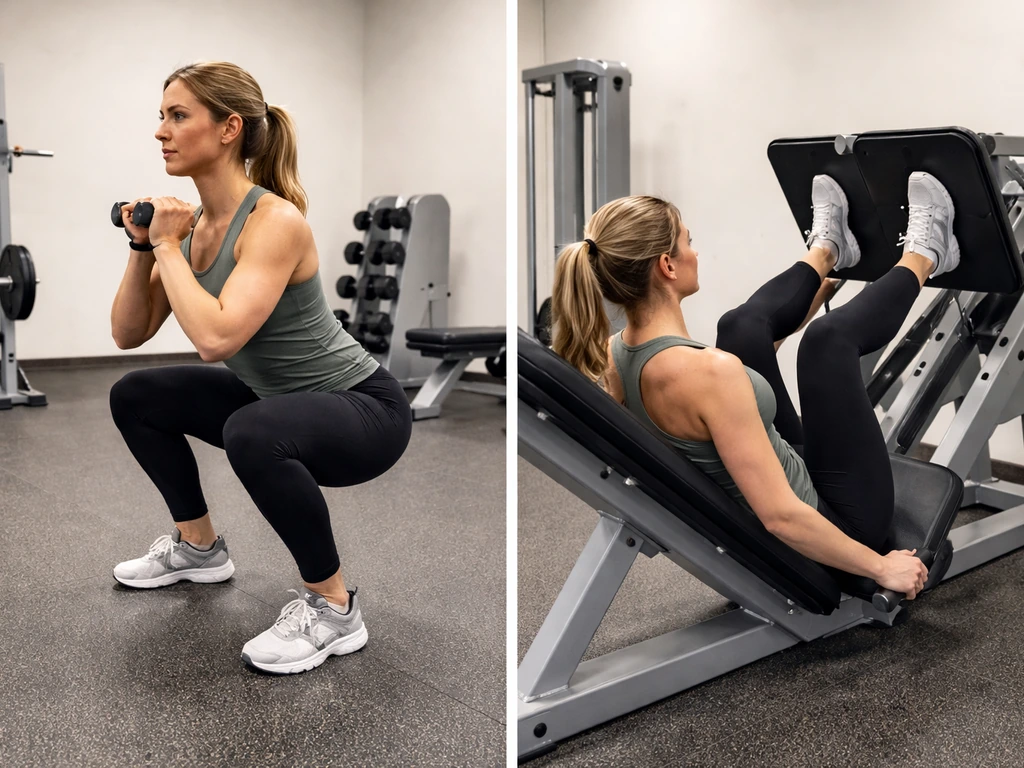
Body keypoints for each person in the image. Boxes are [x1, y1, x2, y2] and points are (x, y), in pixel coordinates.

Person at [108, 61, 412, 674]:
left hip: (365, 410)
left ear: (229, 129)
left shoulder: (275, 221)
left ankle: (334, 608)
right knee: (135, 395)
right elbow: (128, 332)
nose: (161, 132)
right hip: (271, 399)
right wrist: (147, 247)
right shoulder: (191, 229)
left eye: (177, 116)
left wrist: (166, 245)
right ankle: (198, 548)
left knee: (253, 431)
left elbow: (216, 337)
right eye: (160, 117)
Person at [550, 171, 963, 600]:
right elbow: (782, 517)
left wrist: (791, 321)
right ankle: (928, 253)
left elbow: (722, 398)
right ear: (667, 265)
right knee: (828, 341)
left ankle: (826, 250)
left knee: (740, 326)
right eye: (688, 241)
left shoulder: (615, 357)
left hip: (782, 471)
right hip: (839, 520)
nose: (695, 252)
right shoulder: (711, 374)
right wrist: (880, 566)